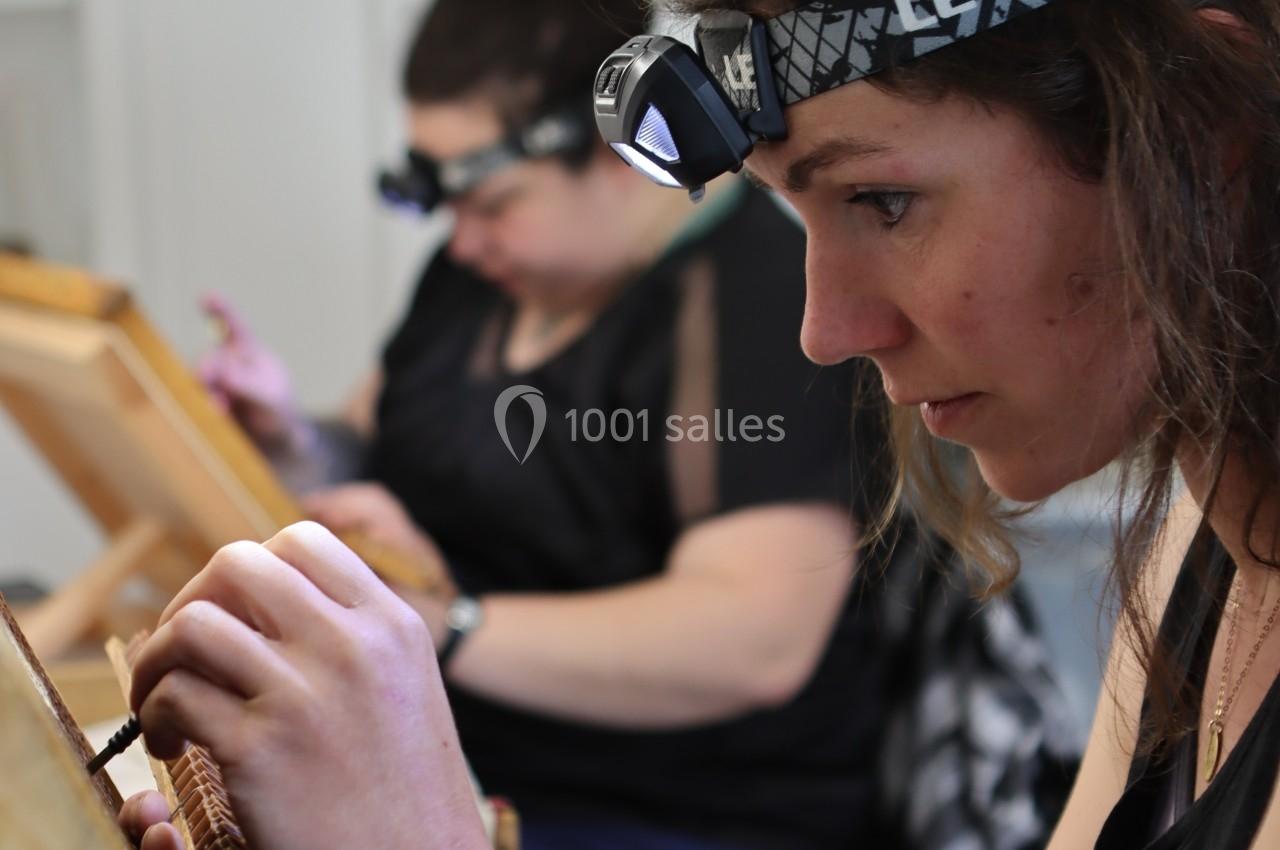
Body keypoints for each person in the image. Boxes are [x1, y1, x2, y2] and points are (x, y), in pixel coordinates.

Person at [115, 0, 1202, 847]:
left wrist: (442, 633)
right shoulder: (474, 284)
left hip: (675, 815)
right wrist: (298, 440)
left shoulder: (746, 302)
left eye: (490, 202)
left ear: (606, 155)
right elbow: (382, 436)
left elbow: (752, 641)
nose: (461, 237)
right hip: (470, 769)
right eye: (442, 205)